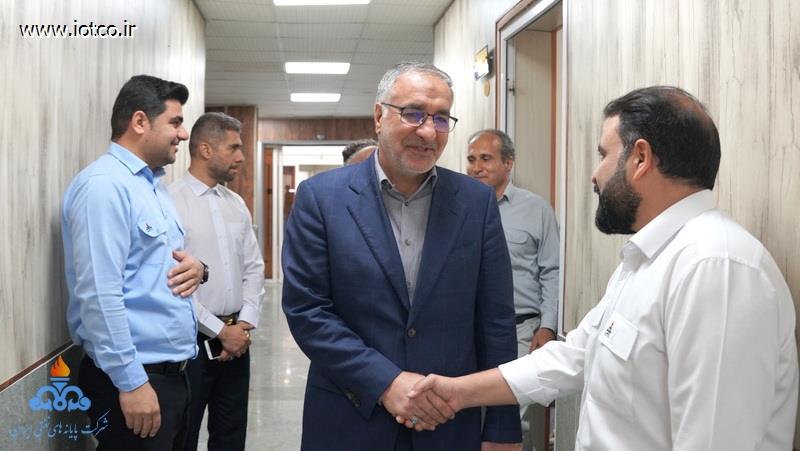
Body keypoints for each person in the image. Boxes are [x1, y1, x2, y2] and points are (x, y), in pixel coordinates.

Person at [406, 86, 798, 450]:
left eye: (603, 155)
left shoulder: (716, 268)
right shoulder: (647, 259)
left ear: (640, 158)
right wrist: (458, 392)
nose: (595, 175)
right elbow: (574, 355)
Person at [281, 61, 522, 450]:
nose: (428, 131)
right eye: (413, 113)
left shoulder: (475, 203)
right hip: (349, 418)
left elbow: (495, 319)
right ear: (379, 116)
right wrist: (385, 382)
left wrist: (502, 426)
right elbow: (307, 311)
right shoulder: (321, 199)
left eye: (441, 118)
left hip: (448, 423)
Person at [62, 75, 206, 450]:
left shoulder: (151, 186)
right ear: (140, 121)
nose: (184, 134)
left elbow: (148, 268)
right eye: (175, 122)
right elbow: (99, 294)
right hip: (135, 381)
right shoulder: (104, 186)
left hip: (170, 377)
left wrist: (197, 269)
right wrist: (131, 382)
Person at [168, 112, 265, 451]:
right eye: (233, 148)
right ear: (205, 149)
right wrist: (219, 331)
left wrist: (244, 324)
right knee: (184, 435)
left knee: (231, 436)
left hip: (237, 341)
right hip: (189, 343)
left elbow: (253, 267)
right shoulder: (169, 203)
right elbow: (171, 282)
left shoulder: (236, 204)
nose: (241, 157)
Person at [467, 129, 559, 450]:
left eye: (486, 159)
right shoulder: (459, 208)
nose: (476, 167)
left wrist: (548, 326)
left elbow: (552, 270)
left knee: (508, 417)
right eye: (471, 159)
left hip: (518, 331)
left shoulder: (536, 210)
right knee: (469, 413)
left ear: (508, 164)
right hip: (467, 330)